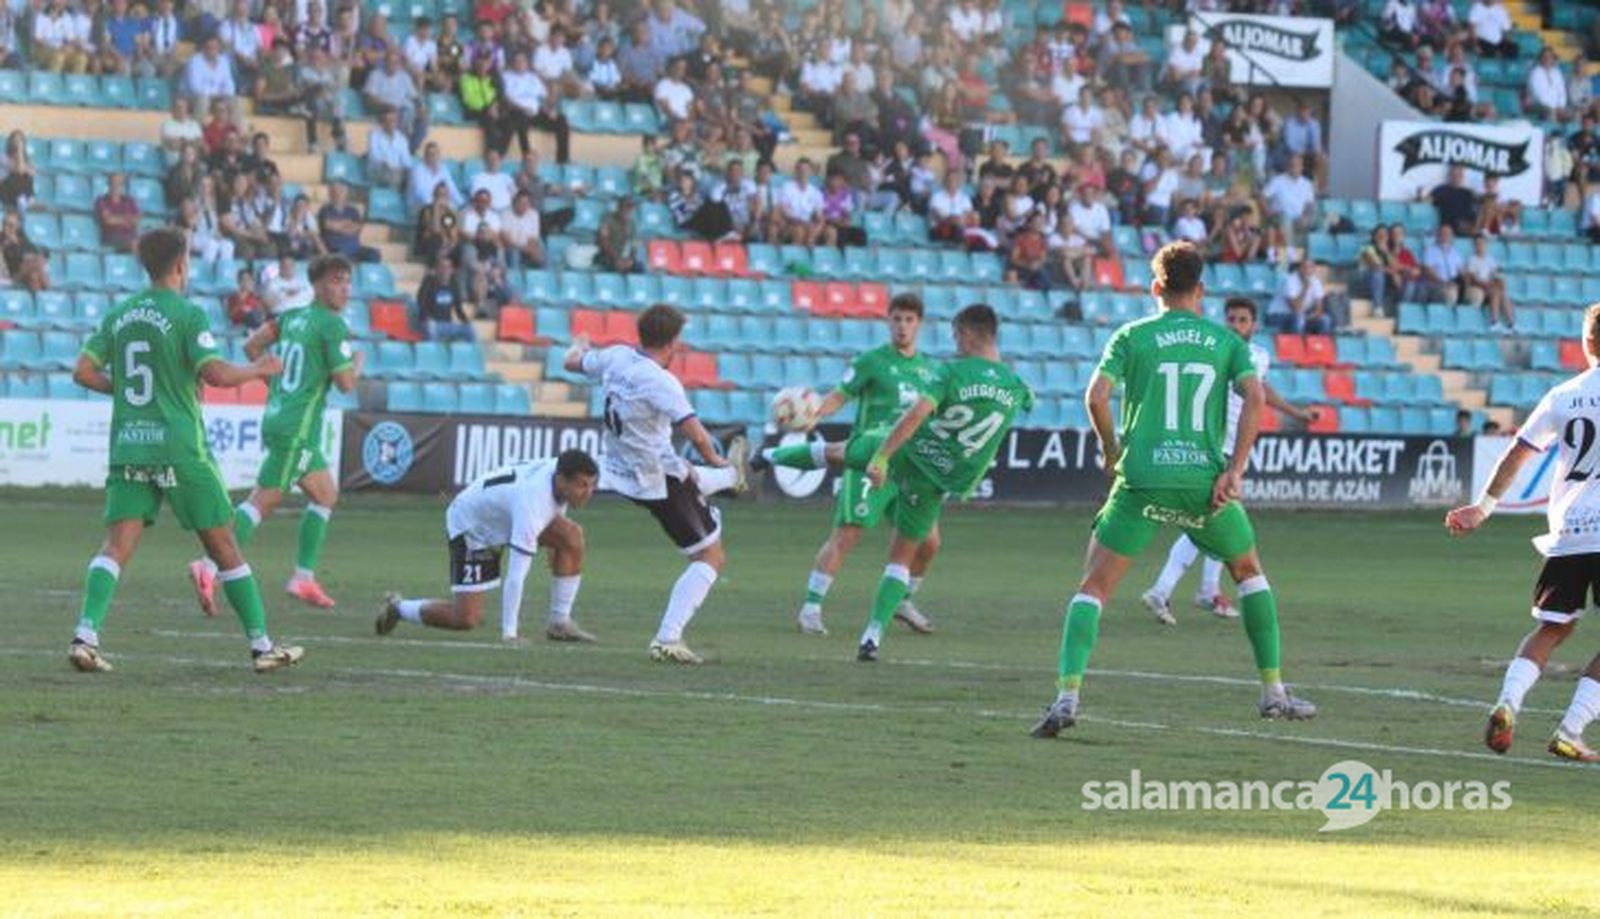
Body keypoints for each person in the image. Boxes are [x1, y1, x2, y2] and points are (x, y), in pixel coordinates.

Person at [1031, 243, 1316, 738]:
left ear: (1155, 287)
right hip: (1204, 485)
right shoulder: (1226, 342)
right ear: (1201, 291)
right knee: (1248, 571)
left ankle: (1067, 697)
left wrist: (1110, 449)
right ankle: (1274, 691)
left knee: (1093, 587)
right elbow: (1255, 396)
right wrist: (1235, 469)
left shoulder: (1132, 335)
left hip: (1141, 481)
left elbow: (1096, 397)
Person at [66, 228, 300, 674]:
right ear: (180, 265)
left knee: (116, 546)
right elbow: (215, 374)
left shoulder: (120, 314)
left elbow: (82, 371)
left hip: (130, 445)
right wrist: (259, 368)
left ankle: (85, 636)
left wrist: (129, 392)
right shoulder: (188, 314)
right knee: (224, 544)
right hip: (178, 447)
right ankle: (262, 646)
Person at [823, 304, 1034, 662]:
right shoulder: (1015, 385)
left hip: (904, 453)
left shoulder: (949, 371)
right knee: (895, 552)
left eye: (956, 336)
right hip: (937, 474)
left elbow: (917, 414)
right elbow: (1027, 401)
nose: (955, 343)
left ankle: (761, 459)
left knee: (838, 455)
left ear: (967, 334)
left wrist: (883, 457)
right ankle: (870, 633)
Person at [1447, 303, 1600, 763]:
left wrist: (1483, 508)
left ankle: (1508, 703)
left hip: (1570, 531)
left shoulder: (1564, 395)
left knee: (1552, 627)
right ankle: (1571, 730)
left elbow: (1519, 451)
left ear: (1587, 342)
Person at [563, 305, 748, 664]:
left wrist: (580, 344)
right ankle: (668, 638)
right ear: (672, 343)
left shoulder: (616, 356)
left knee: (687, 473)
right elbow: (695, 432)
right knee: (710, 557)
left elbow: (571, 362)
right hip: (658, 481)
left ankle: (731, 477)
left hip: (622, 471)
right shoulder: (661, 382)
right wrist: (716, 457)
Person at [751, 294, 942, 637]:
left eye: (909, 319)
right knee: (848, 534)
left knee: (928, 542)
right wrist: (814, 413)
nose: (902, 326)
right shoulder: (872, 361)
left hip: (909, 465)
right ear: (888, 321)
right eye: (897, 319)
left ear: (919, 324)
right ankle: (811, 608)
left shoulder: (930, 370)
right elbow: (841, 394)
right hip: (870, 458)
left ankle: (903, 600)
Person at [188, 255, 363, 614]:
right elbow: (346, 384)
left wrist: (280, 388)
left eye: (347, 281)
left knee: (325, 495)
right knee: (261, 502)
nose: (345, 288)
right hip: (297, 428)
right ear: (317, 285)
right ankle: (207, 566)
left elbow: (252, 347)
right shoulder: (332, 326)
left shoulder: (290, 317)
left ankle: (303, 577)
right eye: (337, 281)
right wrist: (358, 362)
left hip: (283, 418)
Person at [1141, 297, 1321, 624]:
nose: (1236, 326)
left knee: (1211, 520)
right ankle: (1174, 589)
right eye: (1231, 319)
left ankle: (1196, 590)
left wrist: (1296, 413)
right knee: (1212, 520)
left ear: (1254, 324)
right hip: (1212, 446)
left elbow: (1261, 389)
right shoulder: (1216, 350)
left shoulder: (1259, 356)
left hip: (1237, 447)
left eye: (1243, 320)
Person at [377, 449, 600, 642]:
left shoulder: (557, 472)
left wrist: (556, 544)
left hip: (503, 517)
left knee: (571, 537)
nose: (589, 493)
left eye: (592, 485)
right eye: (582, 485)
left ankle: (559, 623)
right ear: (561, 480)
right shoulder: (533, 502)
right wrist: (510, 634)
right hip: (473, 527)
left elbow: (554, 505)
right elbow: (516, 576)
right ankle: (398, 608)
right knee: (466, 618)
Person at [417, 256, 474, 342]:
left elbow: (458, 309)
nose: (445, 270)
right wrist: (427, 318)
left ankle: (472, 351)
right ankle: (433, 350)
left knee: (470, 330)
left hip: (447, 324)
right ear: (436, 269)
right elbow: (421, 302)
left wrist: (467, 322)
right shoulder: (429, 282)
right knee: (431, 327)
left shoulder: (454, 285)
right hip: (432, 324)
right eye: (442, 267)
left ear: (452, 270)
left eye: (448, 267)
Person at [94, 172, 141, 254]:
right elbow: (108, 221)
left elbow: (136, 220)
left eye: (119, 184)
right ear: (108, 184)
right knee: (135, 244)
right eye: (113, 183)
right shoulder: (102, 201)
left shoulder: (130, 201)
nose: (116, 186)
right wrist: (127, 219)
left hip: (130, 237)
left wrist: (117, 218)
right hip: (112, 237)